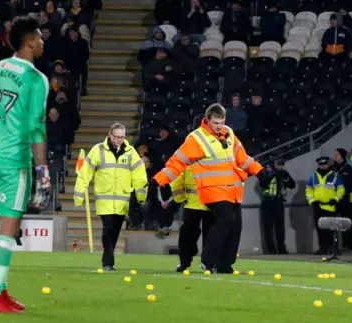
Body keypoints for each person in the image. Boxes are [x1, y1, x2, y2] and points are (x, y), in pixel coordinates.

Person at [0, 15, 51, 313]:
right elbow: (36, 126)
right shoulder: (36, 78)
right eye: (41, 38)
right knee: (9, 222)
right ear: (31, 42)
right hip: (12, 156)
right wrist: (42, 170)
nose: (44, 42)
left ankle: (2, 289)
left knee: (8, 220)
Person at [151, 103, 269, 273]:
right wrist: (158, 180)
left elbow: (242, 157)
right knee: (223, 221)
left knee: (234, 226)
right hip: (211, 191)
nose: (220, 126)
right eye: (216, 123)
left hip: (232, 189)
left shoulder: (228, 133)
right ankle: (205, 261)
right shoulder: (196, 139)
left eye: (222, 122)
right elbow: (176, 163)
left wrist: (260, 171)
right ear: (207, 121)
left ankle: (224, 264)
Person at [74, 123, 149, 271]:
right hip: (104, 199)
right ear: (110, 135)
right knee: (108, 228)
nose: (119, 140)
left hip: (122, 200)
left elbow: (139, 175)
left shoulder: (130, 153)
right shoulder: (98, 150)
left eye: (122, 137)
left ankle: (108, 258)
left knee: (115, 231)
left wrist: (141, 195)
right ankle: (108, 261)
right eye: (117, 136)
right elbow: (85, 173)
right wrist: (79, 195)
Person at [172, 165, 216, 271]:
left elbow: (176, 182)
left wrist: (181, 198)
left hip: (192, 204)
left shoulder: (188, 162)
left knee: (187, 235)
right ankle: (209, 264)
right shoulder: (215, 161)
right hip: (212, 204)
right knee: (211, 236)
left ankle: (184, 262)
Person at [306, 156, 345, 255]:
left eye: (324, 164)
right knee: (320, 229)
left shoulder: (335, 176)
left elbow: (341, 189)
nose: (323, 166)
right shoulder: (313, 177)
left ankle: (334, 248)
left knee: (332, 230)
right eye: (321, 164)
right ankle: (323, 248)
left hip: (330, 206)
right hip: (318, 206)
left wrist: (336, 199)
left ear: (328, 164)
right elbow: (309, 190)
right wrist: (312, 201)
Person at [260, 159, 295, 254]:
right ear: (274, 163)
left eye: (282, 164)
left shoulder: (284, 173)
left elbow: (292, 184)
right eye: (278, 164)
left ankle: (281, 249)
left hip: (278, 201)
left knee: (280, 227)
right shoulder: (267, 171)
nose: (280, 166)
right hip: (268, 201)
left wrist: (285, 179)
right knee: (268, 227)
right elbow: (262, 183)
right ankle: (270, 250)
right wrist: (273, 176)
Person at [334, 148, 352, 250]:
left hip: (345, 200)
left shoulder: (348, 168)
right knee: (334, 222)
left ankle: (347, 244)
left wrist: (344, 192)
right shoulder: (332, 169)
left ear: (342, 156)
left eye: (337, 154)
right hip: (334, 199)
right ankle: (335, 245)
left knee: (345, 222)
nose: (335, 156)